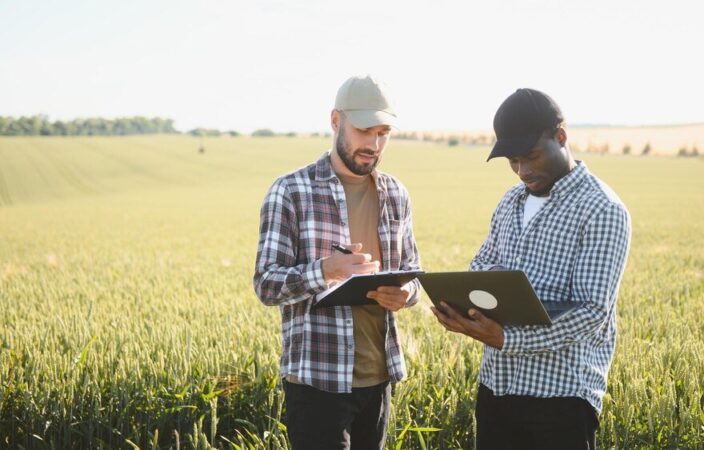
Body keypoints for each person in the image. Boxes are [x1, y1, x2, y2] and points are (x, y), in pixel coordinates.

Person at [431, 88, 631, 450]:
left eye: (532, 156)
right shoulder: (511, 201)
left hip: (561, 401)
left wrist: (508, 339)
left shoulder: (602, 209)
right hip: (496, 388)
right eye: (512, 161)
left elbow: (592, 312)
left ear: (561, 136)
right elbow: (480, 265)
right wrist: (465, 309)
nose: (522, 170)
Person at [253, 75, 422, 450]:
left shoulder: (396, 194)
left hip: (379, 379)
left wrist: (406, 293)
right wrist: (326, 270)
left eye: (383, 133)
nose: (374, 144)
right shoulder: (291, 191)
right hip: (316, 383)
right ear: (335, 122)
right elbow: (266, 284)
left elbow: (414, 272)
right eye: (364, 131)